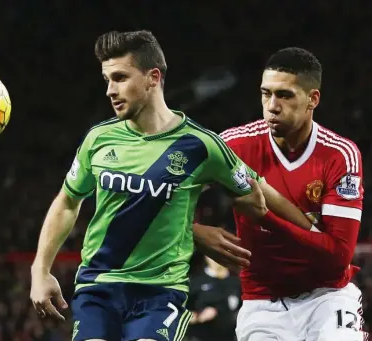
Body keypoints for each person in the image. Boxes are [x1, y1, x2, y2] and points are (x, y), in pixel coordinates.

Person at [29, 31, 311, 341]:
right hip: (99, 286)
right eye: (107, 79)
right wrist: (40, 271)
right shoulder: (99, 138)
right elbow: (68, 201)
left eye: (120, 77)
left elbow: (259, 192)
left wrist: (312, 230)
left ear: (153, 77)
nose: (110, 90)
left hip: (160, 294)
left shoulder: (201, 145)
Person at [214, 47, 365, 341]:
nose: (272, 105)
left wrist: (265, 216)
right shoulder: (233, 146)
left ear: (313, 99)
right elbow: (170, 194)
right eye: (265, 93)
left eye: (284, 95)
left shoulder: (339, 155)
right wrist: (195, 231)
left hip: (327, 295)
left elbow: (338, 256)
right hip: (262, 300)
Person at [187, 256, 241, 341]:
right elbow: (180, 312)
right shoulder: (195, 281)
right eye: (210, 255)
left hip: (230, 336)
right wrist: (199, 316)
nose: (215, 259)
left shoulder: (237, 281)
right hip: (202, 336)